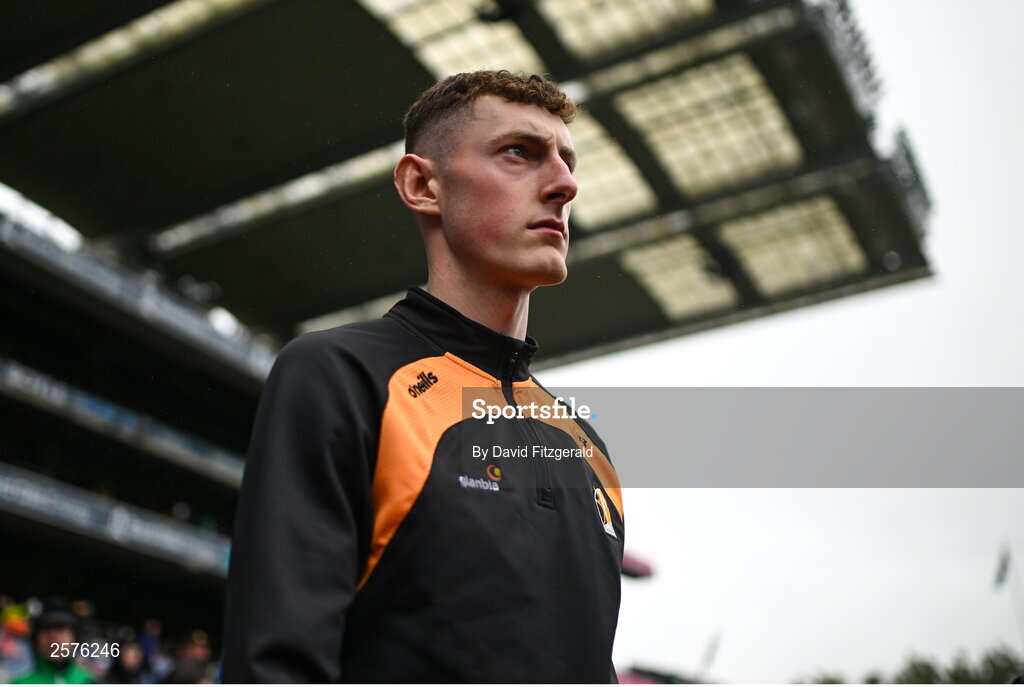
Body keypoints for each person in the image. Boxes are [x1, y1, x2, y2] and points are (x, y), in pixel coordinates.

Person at [222, 70, 623, 683]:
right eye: (521, 153)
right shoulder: (341, 374)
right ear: (422, 185)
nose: (565, 185)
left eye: (568, 161)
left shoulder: (590, 450)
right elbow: (276, 664)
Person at [12, 599, 93, 684]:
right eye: (46, 629)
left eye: (60, 628)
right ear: (35, 640)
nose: (53, 637)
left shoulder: (90, 682)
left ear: (75, 637)